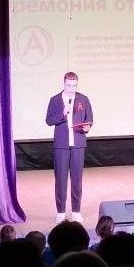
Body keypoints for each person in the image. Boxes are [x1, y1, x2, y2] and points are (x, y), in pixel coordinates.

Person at [45, 72, 93, 223]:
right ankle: (60, 212)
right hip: (61, 146)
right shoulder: (55, 100)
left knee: (77, 180)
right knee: (60, 179)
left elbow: (89, 118)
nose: (71, 88)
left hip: (78, 144)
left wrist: (87, 127)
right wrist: (62, 114)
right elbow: (48, 120)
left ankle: (76, 211)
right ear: (64, 84)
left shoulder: (83, 99)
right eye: (68, 85)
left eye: (74, 86)